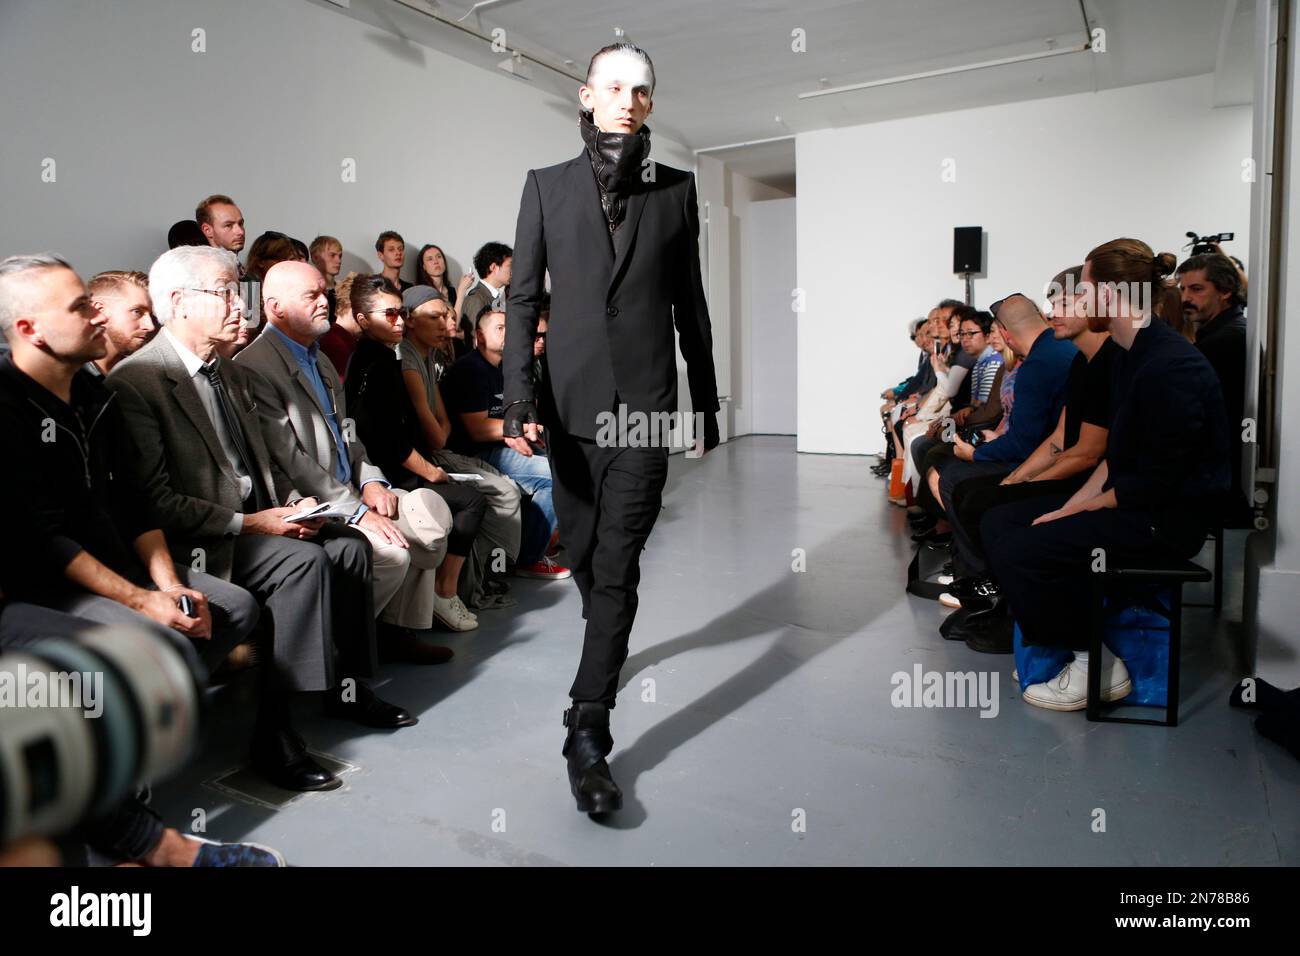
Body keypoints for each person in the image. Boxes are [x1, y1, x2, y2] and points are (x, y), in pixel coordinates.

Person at [500, 42, 720, 815]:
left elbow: (689, 303)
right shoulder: (546, 187)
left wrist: (708, 401)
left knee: (619, 563)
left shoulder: (677, 191)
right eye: (615, 87)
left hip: (648, 405)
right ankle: (605, 642)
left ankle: (588, 728)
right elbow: (522, 300)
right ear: (588, 97)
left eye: (643, 91)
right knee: (587, 553)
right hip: (568, 405)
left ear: (651, 106)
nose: (629, 100)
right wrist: (518, 397)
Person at [107, 246, 418, 792]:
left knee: (347, 545)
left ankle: (344, 688)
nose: (239, 307)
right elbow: (154, 503)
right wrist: (254, 524)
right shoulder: (138, 382)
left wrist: (297, 505)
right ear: (178, 303)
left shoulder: (228, 370)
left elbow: (263, 464)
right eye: (226, 293)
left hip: (260, 519)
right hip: (201, 539)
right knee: (299, 563)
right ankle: (275, 734)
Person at [984, 239, 1230, 710]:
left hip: (1165, 520)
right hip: (1137, 500)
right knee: (1001, 522)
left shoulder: (1167, 362)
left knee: (1025, 546)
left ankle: (1094, 663)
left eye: (1084, 291)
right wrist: (1072, 506)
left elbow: (1155, 480)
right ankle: (1061, 646)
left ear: (1109, 295)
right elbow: (1116, 458)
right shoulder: (1129, 353)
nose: (1074, 302)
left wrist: (1077, 510)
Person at [235, 261, 458, 662]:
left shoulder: (318, 358)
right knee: (393, 553)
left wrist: (373, 481)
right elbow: (289, 457)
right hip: (312, 503)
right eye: (312, 296)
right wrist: (356, 511)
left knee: (433, 522)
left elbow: (348, 435)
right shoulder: (254, 367)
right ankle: (345, 646)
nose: (325, 302)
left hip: (353, 487)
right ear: (275, 306)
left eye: (325, 293)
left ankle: (390, 630)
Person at [344, 275, 483, 631]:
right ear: (362, 320)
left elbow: (434, 425)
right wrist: (429, 471)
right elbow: (382, 438)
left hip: (395, 464)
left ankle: (438, 601)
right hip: (385, 474)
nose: (399, 321)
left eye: (401, 313)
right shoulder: (376, 364)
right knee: (470, 501)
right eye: (389, 314)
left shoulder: (385, 356)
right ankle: (445, 594)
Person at [398, 285, 526, 610]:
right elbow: (438, 433)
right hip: (422, 459)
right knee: (505, 492)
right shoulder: (408, 360)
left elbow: (443, 423)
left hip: (441, 450)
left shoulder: (427, 357)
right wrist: (439, 430)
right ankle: (471, 587)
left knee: (510, 488)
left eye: (446, 315)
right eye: (434, 316)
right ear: (410, 320)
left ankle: (488, 575)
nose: (444, 323)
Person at [445, 304, 571, 579]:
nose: (507, 334)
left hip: (501, 444)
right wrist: (524, 430)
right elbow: (477, 430)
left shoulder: (508, 369)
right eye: (499, 329)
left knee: (564, 464)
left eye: (510, 329)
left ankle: (538, 545)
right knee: (553, 475)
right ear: (479, 336)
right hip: (473, 452)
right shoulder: (471, 369)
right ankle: (528, 557)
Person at [85, 270, 156, 376]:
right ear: (99, 311)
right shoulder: (68, 378)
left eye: (150, 315)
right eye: (137, 312)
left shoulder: (141, 376)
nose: (150, 326)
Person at [457, 242, 512, 348]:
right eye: (510, 265)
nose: (512, 271)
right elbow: (474, 342)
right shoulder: (476, 299)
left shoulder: (500, 296)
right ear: (493, 267)